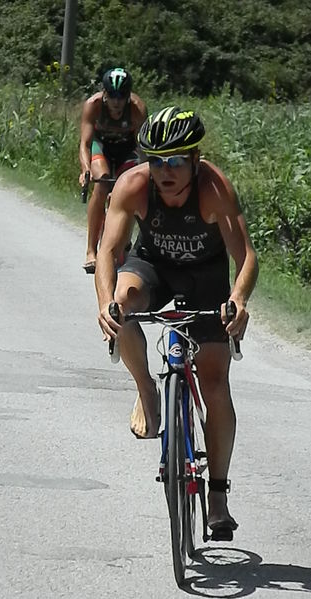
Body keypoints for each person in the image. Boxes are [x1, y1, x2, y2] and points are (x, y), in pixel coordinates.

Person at [94, 106, 259, 540]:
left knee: (215, 381)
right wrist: (106, 303)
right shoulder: (133, 185)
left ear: (194, 159)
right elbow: (109, 250)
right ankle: (148, 391)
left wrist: (237, 300)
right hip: (153, 267)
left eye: (175, 161)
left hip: (206, 277)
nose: (164, 171)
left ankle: (218, 496)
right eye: (156, 160)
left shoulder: (213, 187)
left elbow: (246, 258)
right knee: (123, 303)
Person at [79, 67, 148, 273]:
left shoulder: (137, 108)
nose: (117, 102)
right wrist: (85, 170)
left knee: (130, 188)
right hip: (101, 147)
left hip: (127, 149)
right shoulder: (93, 105)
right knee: (101, 184)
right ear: (104, 94)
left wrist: (145, 173)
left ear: (128, 96)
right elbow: (85, 143)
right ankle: (91, 251)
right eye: (112, 96)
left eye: (122, 96)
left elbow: (143, 147)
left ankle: (124, 241)